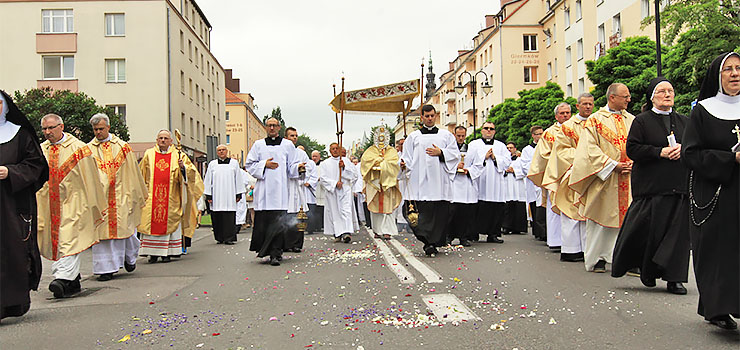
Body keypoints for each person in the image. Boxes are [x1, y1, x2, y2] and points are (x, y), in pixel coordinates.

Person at [611, 77, 690, 295]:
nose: (667, 94)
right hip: (652, 186)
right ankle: (648, 270)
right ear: (652, 97)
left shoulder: (685, 121)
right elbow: (634, 149)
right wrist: (659, 152)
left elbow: (695, 147)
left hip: (679, 185)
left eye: (670, 91)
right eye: (662, 91)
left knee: (678, 236)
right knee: (651, 232)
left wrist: (684, 149)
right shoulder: (642, 121)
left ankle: (675, 278)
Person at [682, 52, 740, 330]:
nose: (734, 73)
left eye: (739, 68)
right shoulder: (703, 110)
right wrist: (731, 159)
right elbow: (691, 154)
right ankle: (718, 308)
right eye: (728, 69)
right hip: (716, 193)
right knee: (720, 253)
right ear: (717, 76)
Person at [36, 113, 105, 298]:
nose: (47, 132)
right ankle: (72, 282)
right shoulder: (40, 150)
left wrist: (92, 203)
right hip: (48, 204)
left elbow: (91, 178)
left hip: (75, 203)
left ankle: (62, 279)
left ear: (62, 127)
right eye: (44, 129)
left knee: (69, 240)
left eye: (51, 128)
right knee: (57, 243)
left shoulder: (79, 149)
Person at [569, 83, 635, 273]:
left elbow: (639, 143)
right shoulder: (595, 121)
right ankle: (598, 259)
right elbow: (589, 150)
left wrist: (633, 162)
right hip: (605, 179)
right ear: (612, 98)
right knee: (601, 220)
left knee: (629, 221)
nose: (629, 100)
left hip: (629, 178)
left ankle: (627, 260)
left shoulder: (632, 120)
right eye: (625, 96)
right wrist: (613, 165)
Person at [0, 91, 48, 319]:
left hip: (12, 204)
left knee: (13, 252)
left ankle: (13, 303)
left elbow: (37, 165)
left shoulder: (20, 134)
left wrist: (11, 172)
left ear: (6, 107)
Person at [88, 113, 147, 281]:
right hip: (100, 199)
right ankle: (105, 269)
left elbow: (133, 173)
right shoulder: (88, 149)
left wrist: (133, 194)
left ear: (108, 127)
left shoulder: (122, 147)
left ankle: (129, 258)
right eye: (95, 130)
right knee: (102, 235)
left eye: (101, 129)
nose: (98, 132)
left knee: (126, 229)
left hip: (121, 195)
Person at [401, 105, 460, 256]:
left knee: (439, 214)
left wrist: (441, 152)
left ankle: (432, 243)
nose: (429, 118)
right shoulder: (413, 137)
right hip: (419, 184)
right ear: (422, 117)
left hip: (439, 183)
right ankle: (427, 240)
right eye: (426, 116)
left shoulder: (446, 136)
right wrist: (402, 164)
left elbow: (455, 155)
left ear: (436, 116)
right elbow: (406, 158)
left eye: (432, 116)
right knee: (415, 214)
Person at [138, 130, 203, 263]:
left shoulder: (178, 155)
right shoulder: (149, 154)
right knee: (150, 221)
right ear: (156, 140)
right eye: (160, 138)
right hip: (152, 196)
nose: (163, 140)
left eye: (166, 138)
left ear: (171, 141)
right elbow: (141, 174)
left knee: (170, 222)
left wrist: (183, 168)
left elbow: (191, 175)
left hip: (171, 196)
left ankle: (167, 252)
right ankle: (152, 254)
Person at [245, 117, 300, 266]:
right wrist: (264, 164)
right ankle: (268, 251)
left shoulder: (288, 145)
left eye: (274, 125)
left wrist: (299, 169)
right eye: (269, 125)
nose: (271, 128)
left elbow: (292, 166)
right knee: (265, 223)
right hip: (264, 191)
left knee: (279, 222)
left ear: (279, 127)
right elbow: (249, 164)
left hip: (280, 191)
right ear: (265, 127)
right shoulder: (258, 145)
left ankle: (276, 253)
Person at [543, 99, 592, 262]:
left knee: (586, 212)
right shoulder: (566, 127)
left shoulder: (593, 124)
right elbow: (560, 151)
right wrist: (581, 156)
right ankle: (570, 249)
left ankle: (586, 249)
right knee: (570, 211)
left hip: (590, 173)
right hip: (568, 173)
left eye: (590, 104)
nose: (588, 107)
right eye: (584, 104)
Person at [528, 105, 570, 251]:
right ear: (556, 116)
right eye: (562, 113)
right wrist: (561, 161)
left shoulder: (576, 129)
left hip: (572, 174)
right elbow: (543, 154)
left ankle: (571, 242)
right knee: (554, 208)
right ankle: (555, 240)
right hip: (555, 176)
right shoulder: (549, 133)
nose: (565, 115)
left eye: (567, 113)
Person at [468, 121, 510, 244]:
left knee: (496, 210)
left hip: (496, 183)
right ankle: (473, 233)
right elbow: (469, 161)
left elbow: (507, 161)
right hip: (480, 182)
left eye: (491, 129)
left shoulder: (501, 146)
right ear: (481, 130)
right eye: (486, 128)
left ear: (494, 131)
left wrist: (495, 158)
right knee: (477, 208)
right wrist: (484, 158)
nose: (488, 131)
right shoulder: (474, 144)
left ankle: (493, 234)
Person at [360, 125, 402, 240]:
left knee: (389, 207)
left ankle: (388, 231)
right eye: (379, 137)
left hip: (388, 182)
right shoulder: (370, 151)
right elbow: (365, 163)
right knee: (375, 206)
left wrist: (382, 163)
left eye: (383, 137)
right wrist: (378, 161)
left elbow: (394, 164)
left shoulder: (392, 151)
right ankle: (377, 230)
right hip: (375, 181)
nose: (381, 140)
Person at [447, 126, 480, 246]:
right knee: (452, 213)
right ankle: (449, 236)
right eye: (458, 136)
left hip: (466, 185)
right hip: (454, 184)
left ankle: (463, 237)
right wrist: (455, 168)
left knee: (465, 214)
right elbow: (444, 164)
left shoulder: (472, 150)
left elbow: (478, 165)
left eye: (463, 136)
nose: (461, 138)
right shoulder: (449, 149)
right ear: (454, 135)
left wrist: (468, 170)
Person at [204, 145, 244, 245]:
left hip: (229, 194)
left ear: (227, 151)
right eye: (219, 150)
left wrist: (238, 193)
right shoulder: (212, 164)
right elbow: (208, 180)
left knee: (229, 217)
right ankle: (219, 237)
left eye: (223, 150)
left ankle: (229, 237)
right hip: (217, 194)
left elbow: (238, 179)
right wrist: (209, 195)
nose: (221, 152)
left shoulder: (234, 163)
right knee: (217, 216)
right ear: (217, 152)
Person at [321, 142, 358, 243]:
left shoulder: (345, 161)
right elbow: (323, 179)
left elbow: (354, 176)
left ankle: (346, 232)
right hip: (332, 191)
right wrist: (334, 183)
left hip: (345, 190)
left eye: (337, 148)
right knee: (334, 212)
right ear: (330, 151)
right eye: (333, 149)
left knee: (346, 211)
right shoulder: (325, 163)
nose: (335, 150)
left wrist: (344, 168)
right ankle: (337, 233)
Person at [285, 128, 314, 252]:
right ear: (286, 137)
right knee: (285, 216)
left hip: (297, 186)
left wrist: (302, 172)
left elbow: (309, 168)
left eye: (296, 135)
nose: (294, 138)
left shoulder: (301, 153)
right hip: (285, 187)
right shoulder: (282, 151)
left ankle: (297, 244)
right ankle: (285, 244)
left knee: (299, 215)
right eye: (292, 135)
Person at [520, 126, 546, 241]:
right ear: (533, 136)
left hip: (545, 179)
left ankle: (545, 232)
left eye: (541, 133)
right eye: (537, 134)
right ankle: (538, 232)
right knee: (535, 206)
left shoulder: (547, 146)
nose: (539, 136)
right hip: (533, 181)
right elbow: (525, 165)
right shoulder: (527, 150)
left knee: (544, 206)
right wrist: (536, 171)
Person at [502, 141, 528, 235]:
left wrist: (514, 171)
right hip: (507, 184)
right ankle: (506, 226)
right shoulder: (503, 160)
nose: (509, 150)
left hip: (517, 184)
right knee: (508, 206)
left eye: (511, 148)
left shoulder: (520, 160)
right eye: (507, 148)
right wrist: (505, 171)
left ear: (515, 149)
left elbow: (525, 171)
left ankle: (518, 227)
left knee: (518, 205)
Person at [306, 150, 323, 234]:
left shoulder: (323, 165)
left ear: (319, 157)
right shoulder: (307, 164)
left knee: (318, 210)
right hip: (307, 189)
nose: (314, 158)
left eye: (316, 156)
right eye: (313, 156)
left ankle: (317, 226)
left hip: (320, 189)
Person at [236, 166, 256, 231]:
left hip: (241, 192)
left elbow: (246, 182)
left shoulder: (242, 173)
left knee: (241, 210)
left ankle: (239, 225)